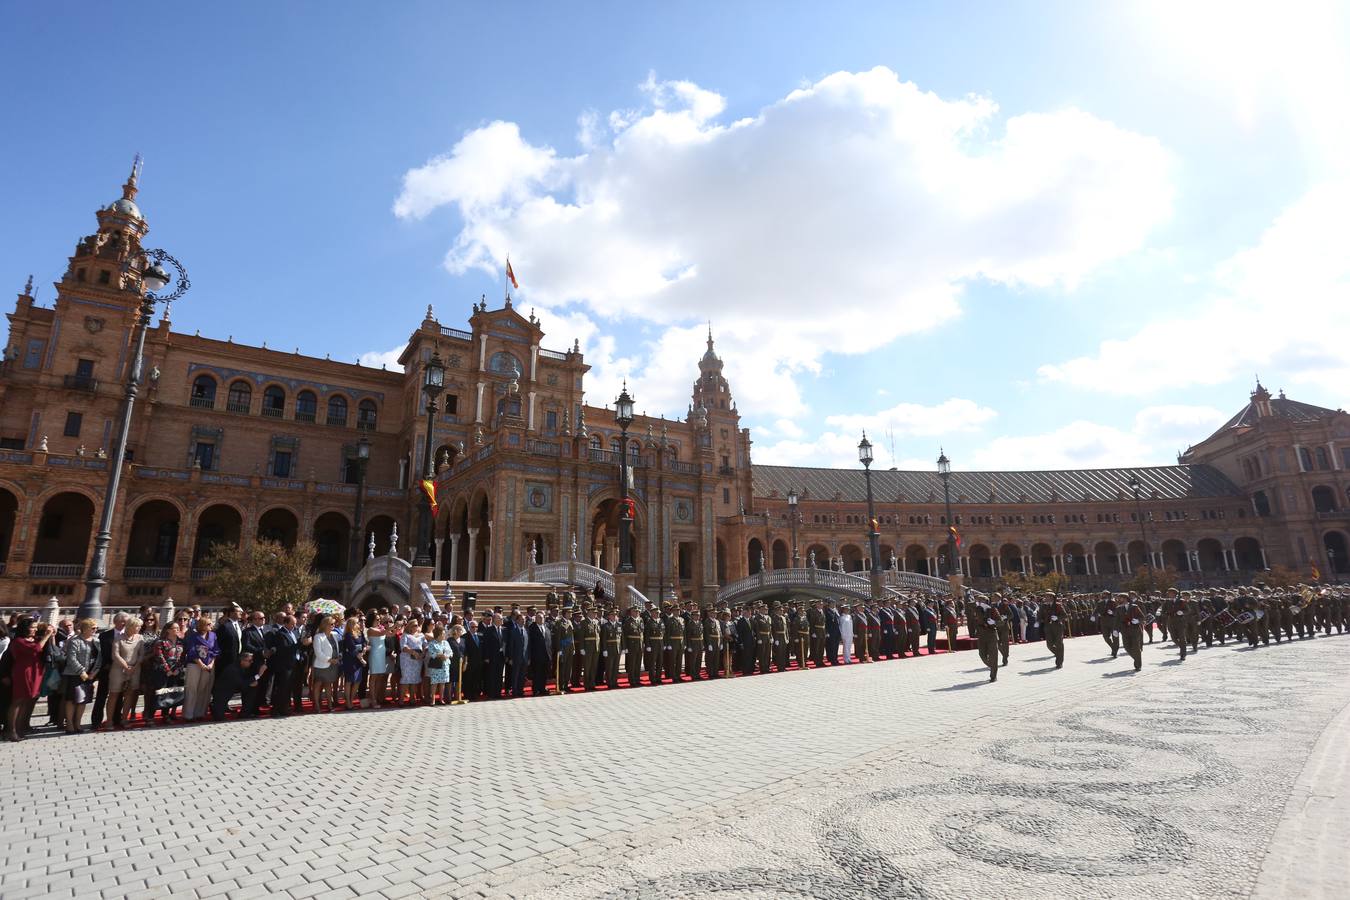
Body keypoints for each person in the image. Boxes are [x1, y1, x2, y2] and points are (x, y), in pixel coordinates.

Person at [3, 617, 54, 741]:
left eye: (36, 627)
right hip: (23, 672)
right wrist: (47, 635)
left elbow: (49, 649)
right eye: (32, 627)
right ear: (25, 628)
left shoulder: (33, 639)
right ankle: (11, 730)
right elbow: (36, 649)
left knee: (27, 700)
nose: (35, 630)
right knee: (18, 701)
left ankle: (21, 727)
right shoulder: (18, 641)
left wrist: (51, 635)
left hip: (36, 672)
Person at [60, 618, 101, 734]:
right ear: (85, 629)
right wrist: (81, 671)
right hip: (74, 674)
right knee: (72, 699)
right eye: (93, 628)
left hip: (90, 674)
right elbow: (71, 658)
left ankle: (78, 723)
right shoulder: (75, 641)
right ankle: (70, 724)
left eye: (96, 628)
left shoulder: (96, 641)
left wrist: (94, 672)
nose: (95, 630)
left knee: (83, 699)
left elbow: (99, 658)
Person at [91, 612, 127, 730]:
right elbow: (103, 653)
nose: (125, 623)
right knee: (102, 696)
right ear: (115, 622)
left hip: (121, 671)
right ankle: (96, 721)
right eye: (123, 621)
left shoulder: (128, 635)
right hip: (107, 670)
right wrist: (109, 665)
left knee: (118, 696)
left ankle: (116, 718)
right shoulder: (105, 636)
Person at [108, 616, 145, 729]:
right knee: (114, 695)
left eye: (139, 626)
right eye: (137, 626)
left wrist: (134, 667)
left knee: (129, 694)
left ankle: (124, 719)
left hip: (135, 669)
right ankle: (109, 721)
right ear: (130, 626)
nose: (139, 628)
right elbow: (115, 654)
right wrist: (126, 666)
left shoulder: (140, 638)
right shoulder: (118, 638)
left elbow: (141, 654)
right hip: (118, 669)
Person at [146, 622, 185, 724]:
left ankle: (166, 715)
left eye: (178, 628)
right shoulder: (161, 642)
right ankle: (150, 717)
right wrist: (168, 670)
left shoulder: (180, 642)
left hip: (175, 671)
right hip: (162, 671)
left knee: (170, 693)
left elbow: (182, 657)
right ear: (168, 630)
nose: (177, 629)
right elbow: (160, 657)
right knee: (158, 693)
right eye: (175, 628)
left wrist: (178, 669)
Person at [182, 616, 218, 721]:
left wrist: (211, 664)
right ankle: (188, 715)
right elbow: (191, 651)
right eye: (208, 624)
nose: (211, 626)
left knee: (203, 689)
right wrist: (201, 664)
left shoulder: (213, 635)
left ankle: (199, 713)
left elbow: (215, 650)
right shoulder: (193, 636)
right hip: (195, 665)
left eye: (211, 624)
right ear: (202, 625)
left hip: (209, 665)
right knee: (192, 689)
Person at [211, 651, 259, 721]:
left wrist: (250, 683)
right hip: (222, 693)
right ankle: (214, 706)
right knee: (219, 717)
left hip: (233, 688)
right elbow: (242, 684)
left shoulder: (242, 667)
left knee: (251, 688)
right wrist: (258, 675)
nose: (251, 662)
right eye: (249, 661)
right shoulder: (233, 669)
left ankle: (245, 713)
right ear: (242, 661)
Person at [340, 616, 369, 710]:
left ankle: (351, 700)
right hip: (350, 660)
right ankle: (348, 702)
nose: (359, 624)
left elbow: (364, 642)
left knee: (357, 680)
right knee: (349, 681)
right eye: (357, 622)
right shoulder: (348, 635)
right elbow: (352, 648)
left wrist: (364, 648)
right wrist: (362, 659)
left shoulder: (360, 633)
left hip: (358, 660)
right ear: (351, 624)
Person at [398, 616, 425, 705]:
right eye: (414, 625)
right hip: (407, 660)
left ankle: (412, 699)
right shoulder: (405, 635)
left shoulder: (421, 635)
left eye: (417, 625)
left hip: (418, 660)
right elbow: (403, 647)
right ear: (409, 626)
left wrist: (422, 653)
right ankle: (401, 700)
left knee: (414, 679)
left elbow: (426, 645)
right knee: (406, 679)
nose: (416, 627)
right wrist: (413, 652)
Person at [425, 625, 454, 705]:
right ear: (438, 634)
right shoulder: (432, 643)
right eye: (443, 634)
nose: (444, 635)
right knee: (434, 683)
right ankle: (433, 699)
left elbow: (450, 652)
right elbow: (432, 653)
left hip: (445, 665)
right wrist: (441, 655)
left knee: (443, 682)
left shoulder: (446, 642)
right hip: (436, 666)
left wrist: (446, 656)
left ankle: (441, 699)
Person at [366, 615, 389, 708]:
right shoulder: (370, 629)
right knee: (374, 676)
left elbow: (390, 634)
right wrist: (394, 625)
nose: (379, 621)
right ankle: (373, 699)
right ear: (372, 620)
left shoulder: (380, 628)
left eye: (380, 619)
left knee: (380, 676)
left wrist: (397, 627)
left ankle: (376, 697)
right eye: (377, 619)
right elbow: (382, 632)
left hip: (381, 654)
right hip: (375, 654)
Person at [460, 618, 482, 700]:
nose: (474, 628)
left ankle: (475, 694)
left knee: (476, 679)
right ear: (469, 627)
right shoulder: (464, 637)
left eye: (476, 627)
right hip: (468, 662)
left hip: (478, 662)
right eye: (472, 627)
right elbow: (463, 650)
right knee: (468, 679)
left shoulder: (480, 635)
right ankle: (467, 694)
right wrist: (465, 661)